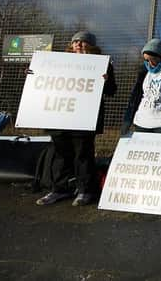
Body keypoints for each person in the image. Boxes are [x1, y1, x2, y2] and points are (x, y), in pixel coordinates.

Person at [36, 31, 116, 206]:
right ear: (71, 45)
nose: (79, 44)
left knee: (83, 154)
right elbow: (44, 80)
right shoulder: (58, 62)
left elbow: (111, 91)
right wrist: (33, 73)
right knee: (60, 154)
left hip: (84, 118)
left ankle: (85, 191)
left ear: (92, 45)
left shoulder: (102, 64)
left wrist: (106, 80)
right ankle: (59, 190)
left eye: (83, 41)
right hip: (61, 117)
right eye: (75, 42)